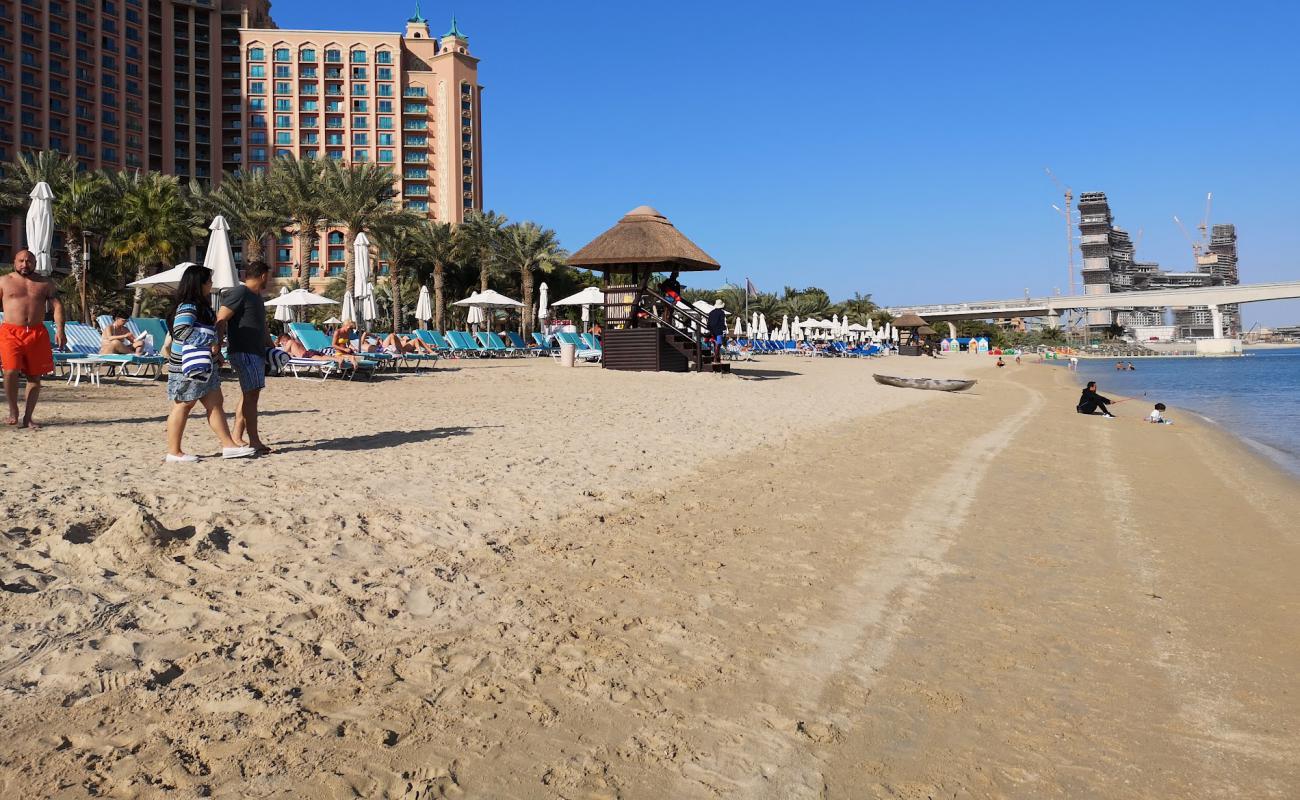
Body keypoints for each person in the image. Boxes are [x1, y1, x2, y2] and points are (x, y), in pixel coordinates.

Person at [164, 264, 255, 462]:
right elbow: (181, 331)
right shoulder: (188, 306)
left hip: (203, 364)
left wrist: (216, 356)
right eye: (209, 281)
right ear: (199, 283)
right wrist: (211, 342)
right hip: (187, 366)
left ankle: (228, 445)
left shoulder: (197, 305)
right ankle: (174, 451)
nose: (211, 284)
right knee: (184, 405)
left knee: (215, 405)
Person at [0, 250, 65, 429]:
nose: (24, 264)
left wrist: (60, 330)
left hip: (36, 333)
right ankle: (13, 411)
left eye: (29, 261)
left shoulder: (45, 283)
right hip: (10, 332)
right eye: (21, 260)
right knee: (10, 371)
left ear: (35, 263)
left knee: (34, 377)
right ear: (14, 261)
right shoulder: (4, 281)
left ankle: (28, 418)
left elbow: (57, 305)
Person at [217, 260, 274, 455]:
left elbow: (262, 325)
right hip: (244, 351)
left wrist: (271, 347)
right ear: (263, 275)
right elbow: (221, 318)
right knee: (251, 395)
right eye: (269, 276)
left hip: (255, 351)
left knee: (249, 394)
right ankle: (254, 441)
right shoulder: (240, 292)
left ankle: (237, 436)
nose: (270, 280)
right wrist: (217, 346)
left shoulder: (257, 297)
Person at [706, 300, 726, 364]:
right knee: (719, 343)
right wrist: (724, 328)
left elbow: (708, 322)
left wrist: (709, 328)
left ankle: (717, 358)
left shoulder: (711, 312)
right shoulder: (722, 312)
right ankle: (716, 358)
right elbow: (722, 322)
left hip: (711, 329)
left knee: (715, 343)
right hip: (718, 329)